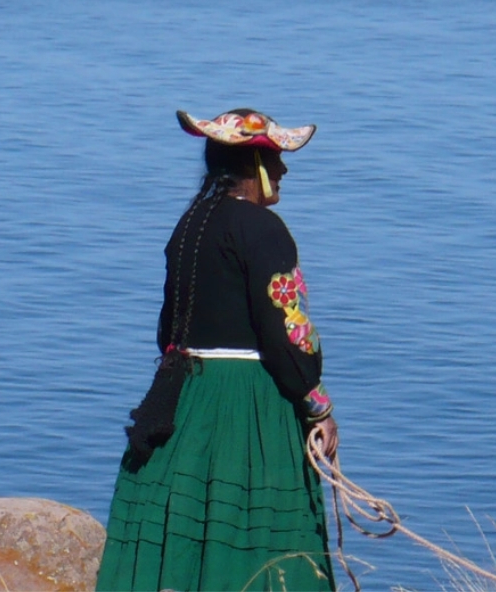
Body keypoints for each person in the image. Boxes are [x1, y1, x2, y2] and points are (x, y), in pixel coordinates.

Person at [98, 108, 338, 591]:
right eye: (277, 160)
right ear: (255, 165)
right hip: (246, 405)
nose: (285, 171)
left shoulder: (189, 228)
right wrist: (317, 406)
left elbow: (169, 329)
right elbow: (287, 334)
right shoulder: (264, 230)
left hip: (184, 398)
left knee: (189, 527)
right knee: (258, 528)